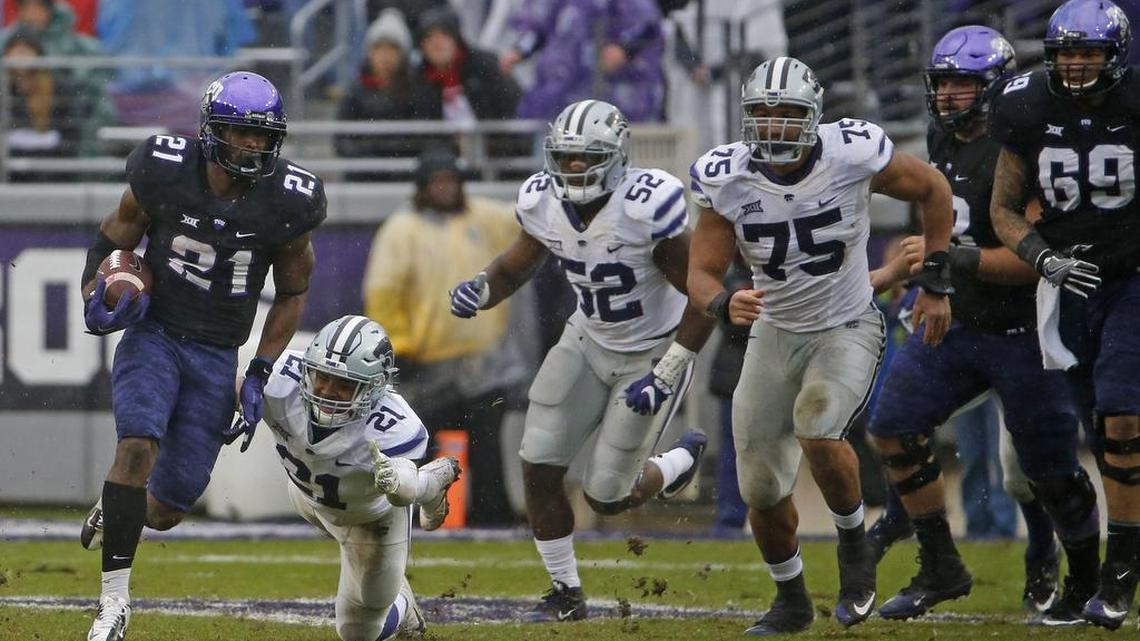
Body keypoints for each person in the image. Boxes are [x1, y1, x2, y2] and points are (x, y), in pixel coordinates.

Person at [688, 55, 955, 635]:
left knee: (817, 422)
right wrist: (720, 302)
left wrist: (935, 280)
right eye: (763, 114)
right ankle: (791, 600)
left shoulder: (851, 152)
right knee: (759, 486)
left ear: (813, 118)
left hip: (846, 323)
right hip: (773, 332)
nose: (776, 126)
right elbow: (701, 271)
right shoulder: (726, 176)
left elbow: (934, 189)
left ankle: (853, 542)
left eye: (788, 114)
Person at [862, 25, 1103, 624]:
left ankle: (1083, 576)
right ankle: (940, 564)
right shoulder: (944, 142)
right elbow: (942, 215)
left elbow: (1038, 260)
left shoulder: (1025, 147)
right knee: (893, 425)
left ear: (994, 88)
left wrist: (950, 261)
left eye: (963, 85)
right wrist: (931, 271)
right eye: (942, 83)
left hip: (1030, 334)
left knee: (1044, 474)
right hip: (960, 322)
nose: (948, 96)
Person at [77, 71, 326, 641]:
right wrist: (95, 292)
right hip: (156, 333)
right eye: (239, 134)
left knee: (165, 509)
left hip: (217, 352)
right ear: (211, 132)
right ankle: (113, 606)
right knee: (136, 444)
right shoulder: (164, 170)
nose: (251, 146)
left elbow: (292, 292)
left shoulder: (288, 202)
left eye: (262, 137)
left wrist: (259, 369)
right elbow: (113, 237)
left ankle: (115, 506)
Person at [449, 99, 714, 622]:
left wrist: (667, 373)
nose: (572, 168)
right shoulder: (542, 202)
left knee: (607, 496)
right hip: (587, 339)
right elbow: (515, 266)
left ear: (616, 157)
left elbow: (705, 296)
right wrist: (482, 288)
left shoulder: (646, 207)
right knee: (538, 462)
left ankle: (675, 464)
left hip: (652, 347)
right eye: (565, 157)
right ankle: (566, 593)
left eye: (585, 157)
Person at [990, 0, 1140, 629]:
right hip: (1069, 283)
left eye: (1090, 53)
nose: (1077, 65)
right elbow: (1003, 208)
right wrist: (1040, 256)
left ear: (1116, 56)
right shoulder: (1027, 105)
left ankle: (1120, 571)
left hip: (1133, 276)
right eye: (1067, 53)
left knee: (1123, 418)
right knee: (1100, 431)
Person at [262, 315, 461, 641]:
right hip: (308, 499)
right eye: (323, 377)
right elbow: (229, 390)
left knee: (358, 633)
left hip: (370, 520)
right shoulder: (280, 379)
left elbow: (400, 490)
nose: (327, 391)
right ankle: (430, 484)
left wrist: (397, 480)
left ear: (373, 388)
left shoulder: (392, 423)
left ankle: (404, 603)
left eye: (344, 385)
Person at [362, 146, 523, 526]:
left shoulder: (484, 217)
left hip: (484, 364)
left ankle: (491, 522)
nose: (447, 188)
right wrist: (398, 346)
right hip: (425, 363)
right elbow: (383, 292)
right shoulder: (402, 230)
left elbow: (529, 223)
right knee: (422, 447)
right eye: (438, 182)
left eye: (452, 180)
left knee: (488, 452)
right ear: (421, 187)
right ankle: (419, 522)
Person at [500, 0, 666, 123]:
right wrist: (520, 51)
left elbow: (647, 26)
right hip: (561, 92)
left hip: (613, 94)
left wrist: (624, 48)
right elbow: (539, 26)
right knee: (557, 151)